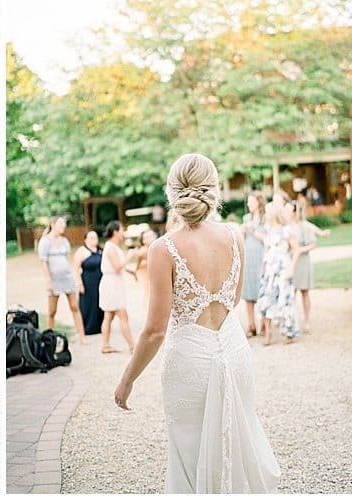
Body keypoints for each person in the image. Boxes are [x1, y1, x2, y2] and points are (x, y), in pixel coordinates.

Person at [114, 153, 280, 493]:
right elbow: (232, 300)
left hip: (190, 361)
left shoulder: (163, 249)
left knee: (190, 457)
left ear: (172, 191)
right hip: (234, 352)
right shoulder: (234, 235)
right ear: (215, 190)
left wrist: (126, 380)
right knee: (234, 443)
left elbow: (155, 329)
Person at [38, 216, 88, 344]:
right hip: (54, 280)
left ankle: (82, 336)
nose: (63, 227)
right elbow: (43, 262)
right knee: (52, 311)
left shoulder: (65, 241)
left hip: (67, 278)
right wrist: (49, 280)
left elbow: (66, 259)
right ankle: (49, 339)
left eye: (64, 225)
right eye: (61, 224)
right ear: (53, 224)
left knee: (75, 306)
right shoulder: (45, 241)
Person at [255, 203, 300, 344]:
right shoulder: (267, 231)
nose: (266, 215)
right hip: (269, 269)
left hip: (282, 267)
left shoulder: (286, 230)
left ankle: (288, 330)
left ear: (274, 214)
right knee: (265, 299)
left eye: (268, 212)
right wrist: (262, 268)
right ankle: (267, 333)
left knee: (285, 299)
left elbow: (296, 249)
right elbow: (266, 250)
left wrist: (292, 268)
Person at [285, 201, 330, 334]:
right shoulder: (285, 226)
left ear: (294, 212)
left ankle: (307, 321)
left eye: (287, 210)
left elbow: (313, 244)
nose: (284, 212)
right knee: (289, 293)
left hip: (302, 263)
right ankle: (291, 321)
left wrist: (299, 250)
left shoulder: (304, 226)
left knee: (304, 292)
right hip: (288, 263)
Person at [99, 221, 140, 353]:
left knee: (109, 315)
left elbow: (118, 266)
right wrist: (129, 256)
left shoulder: (113, 246)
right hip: (112, 284)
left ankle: (105, 345)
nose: (123, 232)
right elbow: (117, 267)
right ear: (116, 232)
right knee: (123, 315)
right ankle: (132, 346)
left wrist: (129, 271)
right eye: (122, 230)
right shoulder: (111, 247)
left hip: (113, 282)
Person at [239, 194, 267, 338]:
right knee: (248, 292)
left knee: (262, 291)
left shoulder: (265, 218)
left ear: (258, 202)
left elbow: (266, 239)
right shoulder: (245, 218)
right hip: (248, 256)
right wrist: (243, 231)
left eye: (251, 201)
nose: (248, 203)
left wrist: (252, 229)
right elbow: (242, 239)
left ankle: (264, 324)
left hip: (261, 255)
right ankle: (251, 325)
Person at [73, 230, 104, 335]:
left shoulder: (100, 250)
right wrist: (80, 284)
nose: (93, 239)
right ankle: (86, 327)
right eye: (91, 237)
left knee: (99, 303)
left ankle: (100, 326)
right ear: (85, 239)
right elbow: (76, 269)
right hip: (87, 281)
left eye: (95, 237)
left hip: (100, 281)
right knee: (87, 304)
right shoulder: (81, 251)